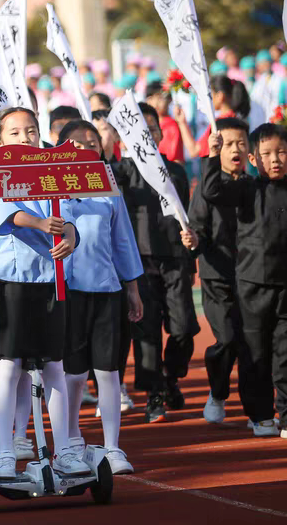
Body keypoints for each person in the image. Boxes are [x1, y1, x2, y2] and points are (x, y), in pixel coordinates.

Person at [0, 107, 86, 481]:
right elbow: (6, 214)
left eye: (32, 131)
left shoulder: (54, 171)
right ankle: (6, 450)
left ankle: (66, 450)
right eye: (15, 133)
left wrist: (70, 234)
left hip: (52, 281)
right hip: (11, 282)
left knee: (54, 365)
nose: (25, 139)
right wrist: (42, 222)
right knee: (10, 365)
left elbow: (69, 215)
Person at [55, 120, 144, 475]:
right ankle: (72, 439)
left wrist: (133, 288)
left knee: (108, 372)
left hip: (107, 291)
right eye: (76, 143)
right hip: (70, 294)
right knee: (74, 376)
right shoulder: (52, 190)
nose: (85, 148)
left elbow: (123, 240)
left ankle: (112, 447)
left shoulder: (109, 189)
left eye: (92, 142)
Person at [111, 102, 199, 422]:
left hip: (174, 259)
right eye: (140, 130)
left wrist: (190, 261)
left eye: (152, 129)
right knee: (146, 333)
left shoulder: (174, 170)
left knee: (184, 328)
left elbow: (186, 217)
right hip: (139, 262)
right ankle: (155, 393)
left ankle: (171, 377)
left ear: (162, 133)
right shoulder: (122, 171)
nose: (147, 136)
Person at [201, 123, 287, 438]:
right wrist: (212, 156)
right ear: (253, 158)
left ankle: (286, 415)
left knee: (285, 352)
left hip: (285, 286)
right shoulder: (247, 188)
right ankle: (261, 415)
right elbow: (211, 191)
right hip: (252, 285)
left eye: (281, 152)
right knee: (255, 352)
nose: (275, 159)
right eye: (266, 154)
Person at [188, 117, 255, 425]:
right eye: (228, 144)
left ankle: (259, 410)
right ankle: (217, 392)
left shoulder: (253, 186)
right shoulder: (207, 187)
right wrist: (194, 240)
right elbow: (198, 226)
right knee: (226, 339)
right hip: (217, 275)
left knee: (252, 343)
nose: (235, 149)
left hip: (253, 275)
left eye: (241, 143)